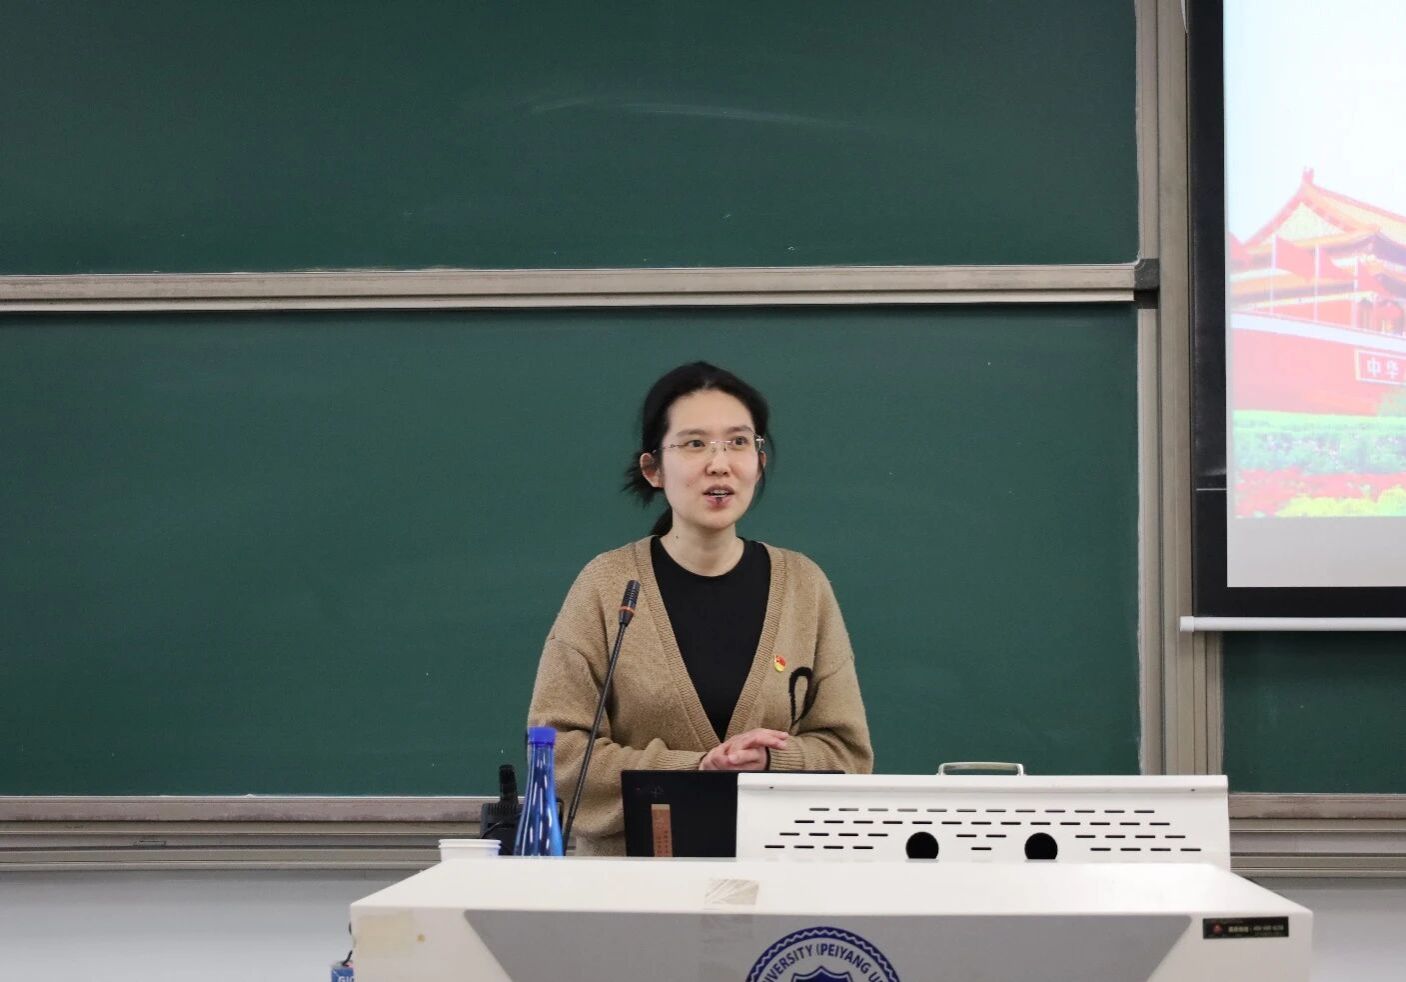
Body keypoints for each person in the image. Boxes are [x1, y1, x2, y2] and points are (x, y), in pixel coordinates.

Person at [526, 361, 873, 855]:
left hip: (778, 878)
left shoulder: (804, 585)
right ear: (652, 469)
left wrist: (772, 762)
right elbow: (556, 751)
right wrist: (696, 770)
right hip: (629, 881)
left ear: (759, 462)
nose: (719, 463)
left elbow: (849, 756)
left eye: (738, 442)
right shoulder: (608, 585)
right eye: (694, 444)